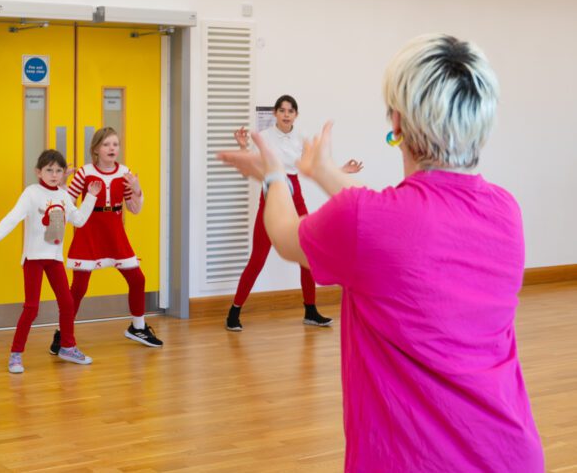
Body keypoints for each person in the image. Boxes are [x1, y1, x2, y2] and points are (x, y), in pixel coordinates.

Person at [219, 34, 544, 472]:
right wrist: (324, 173)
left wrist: (275, 175)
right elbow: (400, 220)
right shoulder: (506, 210)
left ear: (398, 121)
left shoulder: (368, 220)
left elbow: (283, 234)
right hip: (511, 454)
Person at [226, 95, 362, 331]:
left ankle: (310, 310)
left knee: (308, 255)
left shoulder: (301, 139)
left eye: (290, 111)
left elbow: (313, 167)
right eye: (282, 110)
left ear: (296, 115)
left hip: (296, 193)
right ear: (276, 114)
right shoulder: (266, 137)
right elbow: (251, 164)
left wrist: (342, 171)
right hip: (272, 194)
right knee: (258, 258)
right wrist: (241, 146)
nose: (286, 114)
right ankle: (234, 311)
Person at [0, 149, 101, 373]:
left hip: (54, 259)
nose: (54, 174)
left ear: (64, 173)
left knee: (67, 304)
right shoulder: (31, 193)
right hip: (34, 258)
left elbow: (80, 220)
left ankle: (67, 346)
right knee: (32, 308)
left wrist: (91, 196)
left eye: (58, 170)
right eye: (49, 170)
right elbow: (13, 216)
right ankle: (16, 354)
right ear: (38, 172)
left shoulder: (64, 195)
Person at [63, 127, 163, 348]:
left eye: (115, 144)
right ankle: (63, 332)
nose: (112, 148)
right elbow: (67, 202)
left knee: (137, 279)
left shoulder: (125, 173)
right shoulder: (84, 172)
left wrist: (136, 189)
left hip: (115, 233)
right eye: (107, 144)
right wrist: (61, 182)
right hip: (88, 233)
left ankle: (137, 328)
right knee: (78, 287)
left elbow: (134, 209)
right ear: (96, 149)